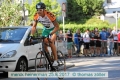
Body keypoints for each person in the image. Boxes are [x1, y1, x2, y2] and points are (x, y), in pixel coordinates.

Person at [30, 2, 59, 66]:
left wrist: (51, 33)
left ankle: (56, 60)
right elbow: (34, 27)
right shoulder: (36, 16)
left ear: (44, 10)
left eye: (40, 10)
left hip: (54, 29)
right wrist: (31, 36)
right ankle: (49, 58)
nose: (39, 12)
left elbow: (57, 27)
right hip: (46, 29)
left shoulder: (49, 15)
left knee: (51, 42)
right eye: (37, 10)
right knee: (44, 44)